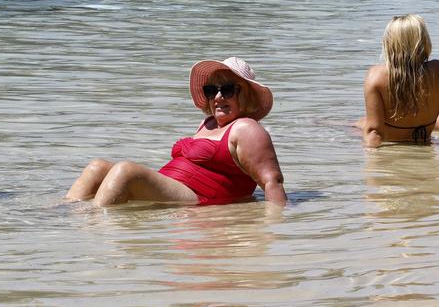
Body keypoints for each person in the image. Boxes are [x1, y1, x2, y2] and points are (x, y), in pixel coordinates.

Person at [66, 57, 287, 206]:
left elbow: (272, 181)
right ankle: (62, 214)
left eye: (227, 90)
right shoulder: (208, 124)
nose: (218, 97)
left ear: (246, 95)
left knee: (126, 171)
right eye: (212, 90)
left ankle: (91, 224)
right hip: (174, 187)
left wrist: (274, 227)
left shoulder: (246, 128)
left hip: (200, 197)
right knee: (97, 167)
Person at [359, 14, 439, 147]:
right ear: (424, 41)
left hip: (393, 151)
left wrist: (373, 164)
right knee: (356, 124)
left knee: (355, 125)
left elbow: (374, 131)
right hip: (425, 149)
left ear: (389, 43)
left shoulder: (376, 76)